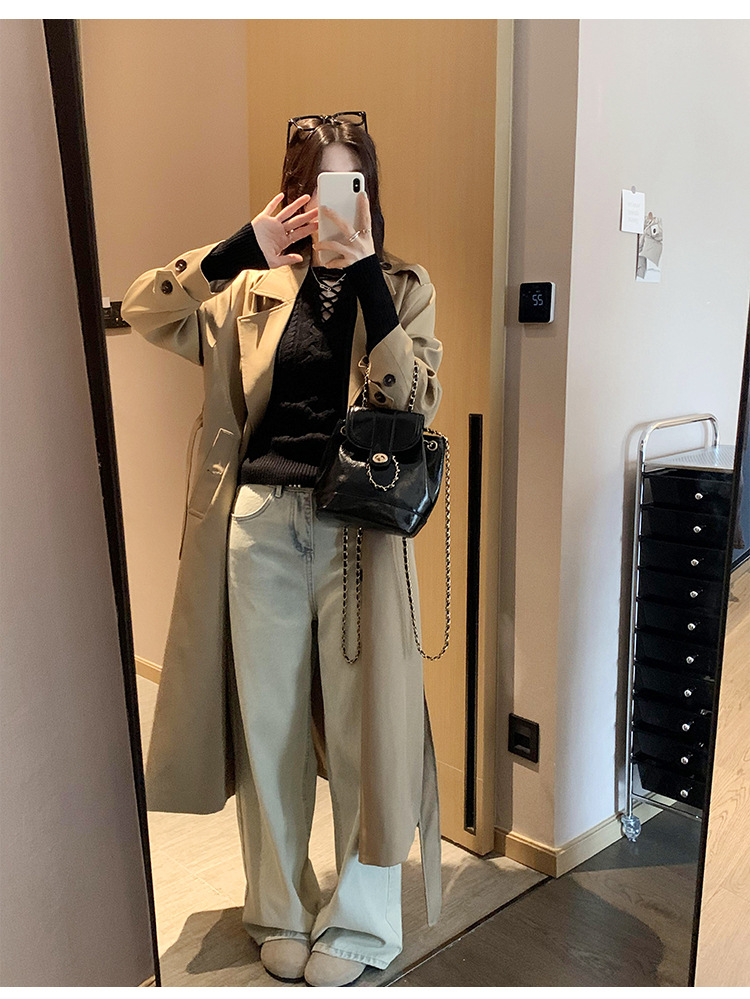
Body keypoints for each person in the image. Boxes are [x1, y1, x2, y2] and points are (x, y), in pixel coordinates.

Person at [122, 111, 444, 987]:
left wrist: (366, 271)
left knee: (364, 731)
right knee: (267, 727)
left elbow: (411, 396)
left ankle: (364, 925)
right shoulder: (249, 291)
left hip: (357, 535)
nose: (327, 204)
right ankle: (279, 909)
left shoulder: (403, 287)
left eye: (346, 184)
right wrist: (241, 247)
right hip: (259, 523)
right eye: (312, 186)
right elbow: (146, 308)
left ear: (367, 193)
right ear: (291, 194)